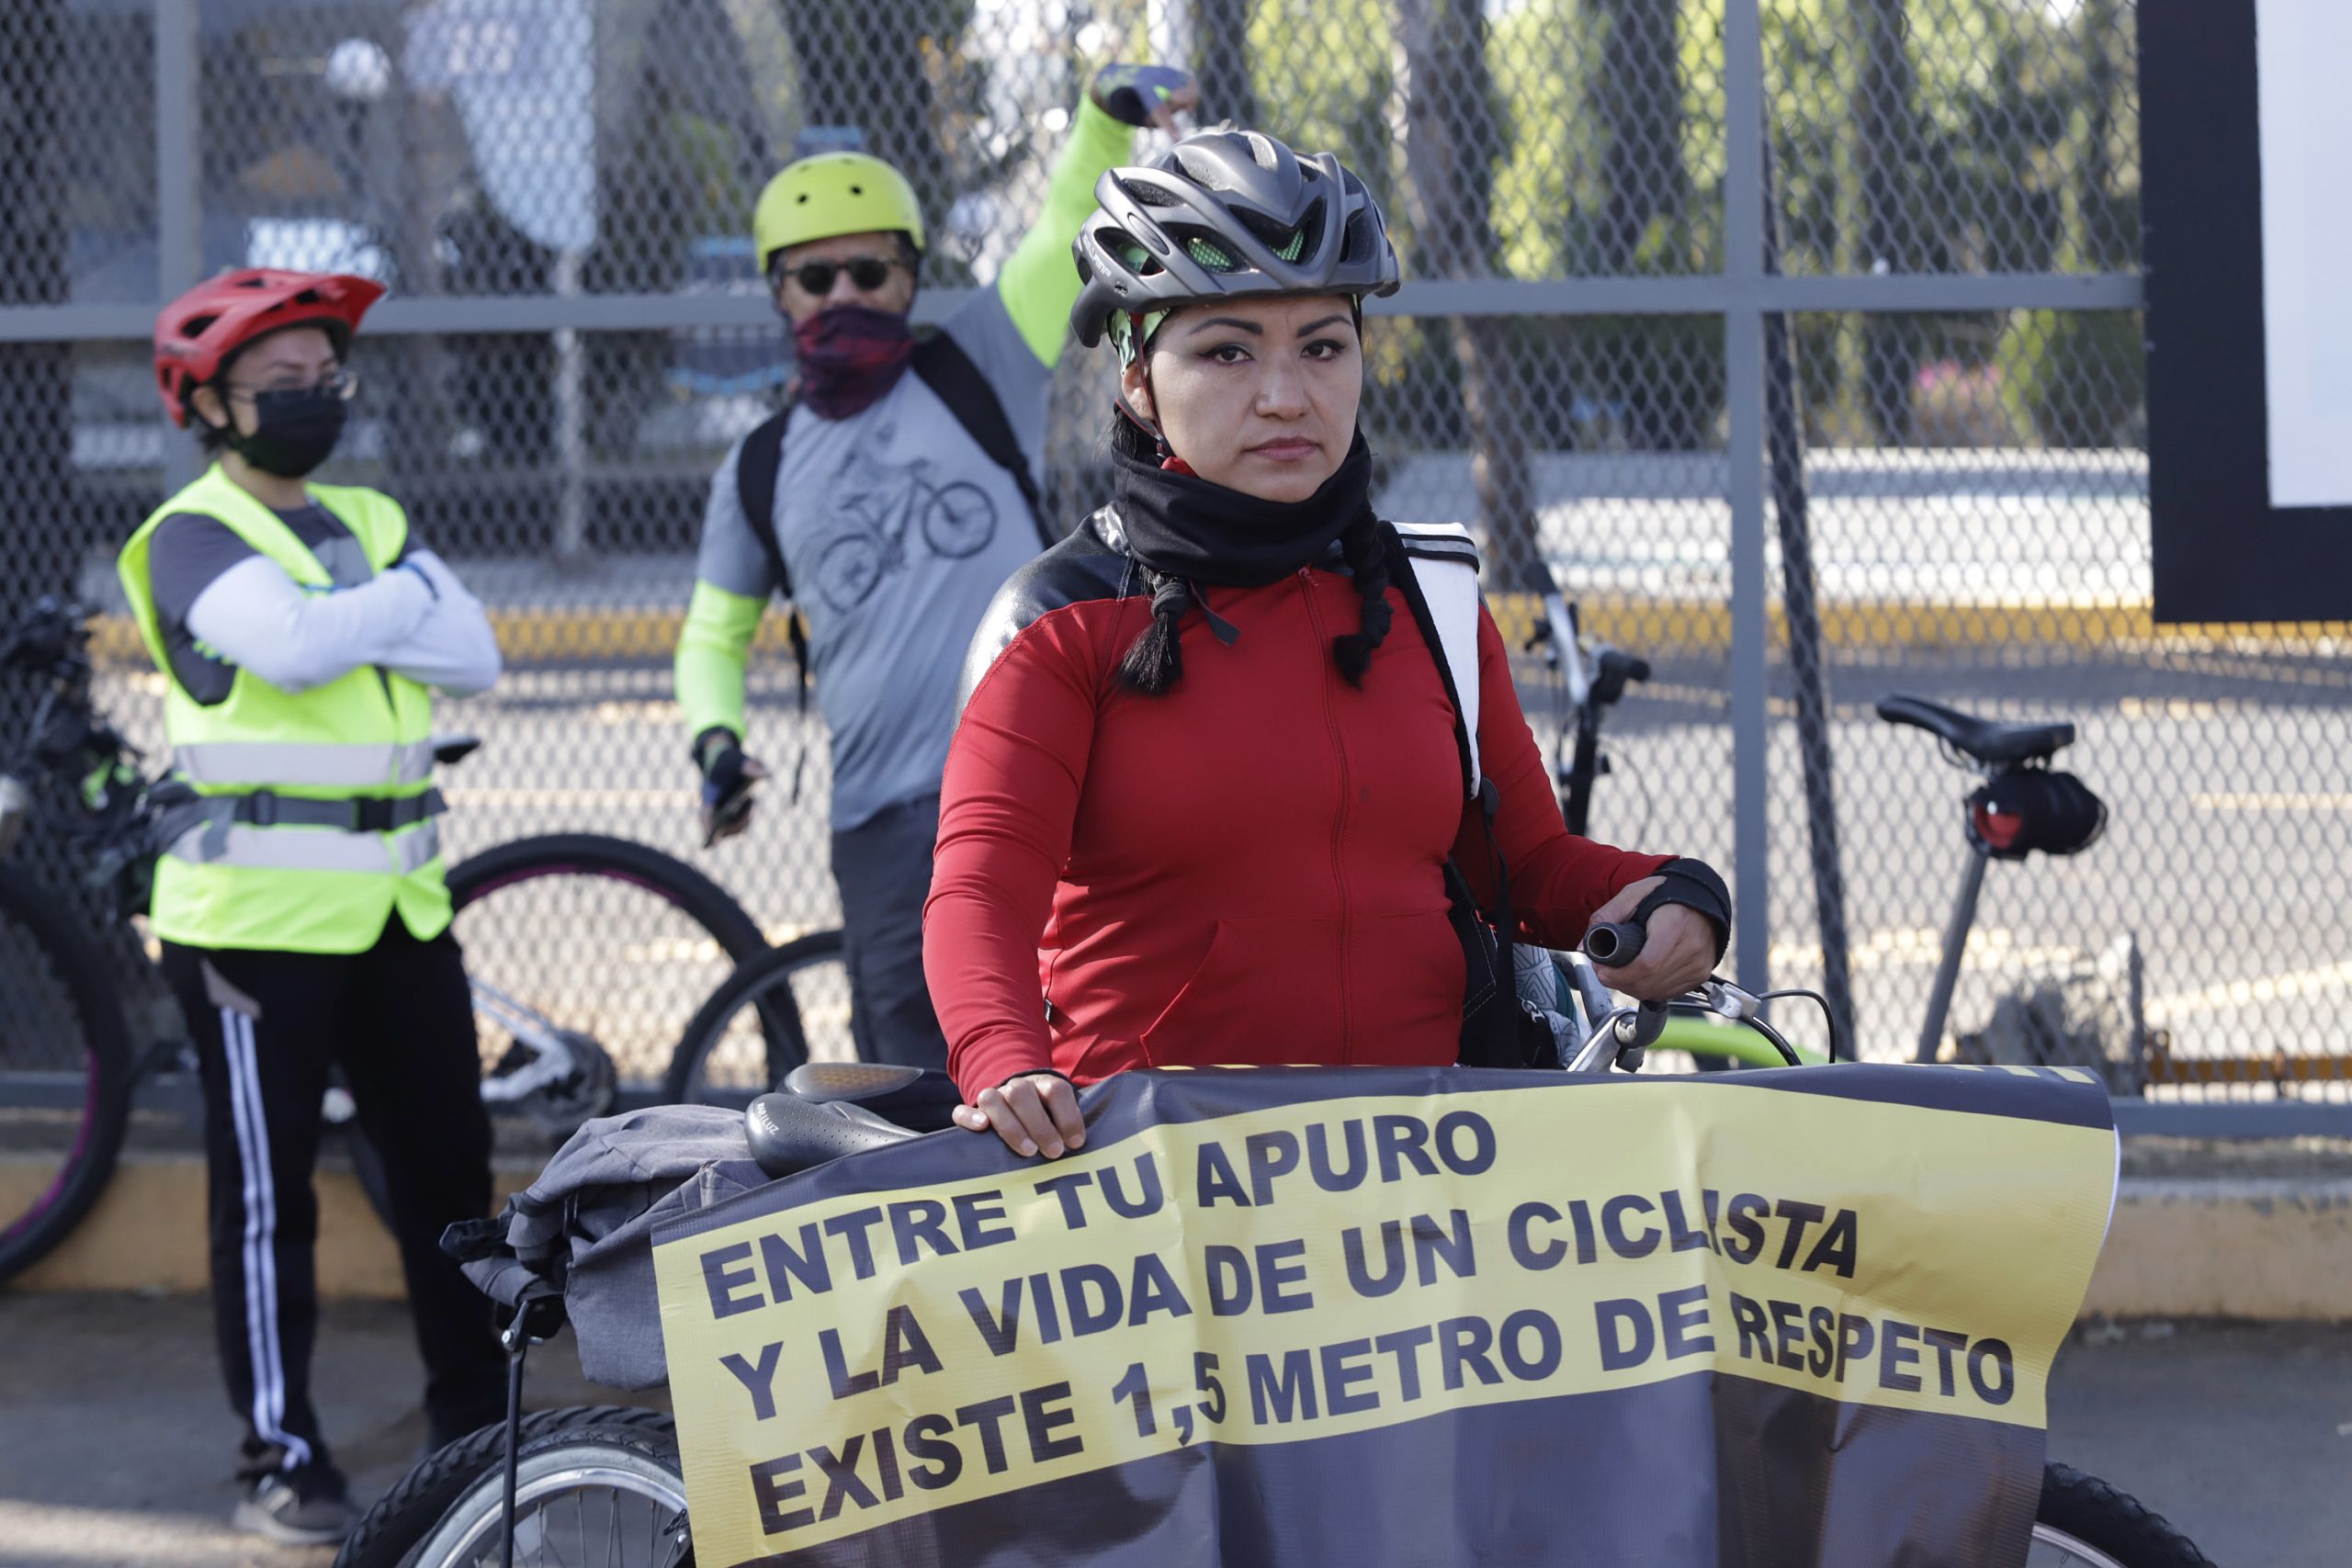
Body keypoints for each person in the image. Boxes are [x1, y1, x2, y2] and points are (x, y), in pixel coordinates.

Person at [924, 130, 1734, 1159]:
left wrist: (1672, 897)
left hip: (1422, 1181)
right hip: (1156, 1203)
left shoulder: (1427, 596)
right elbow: (978, 895)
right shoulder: (1062, 620)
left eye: (1321, 345)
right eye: (1226, 350)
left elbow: (1525, 867)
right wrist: (1004, 1057)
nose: (1285, 395)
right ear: (1136, 376)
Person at [674, 63, 1198, 1071]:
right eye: (814, 278)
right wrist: (714, 741)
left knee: (1093, 1041)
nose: (843, 296)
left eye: (868, 274)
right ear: (777, 292)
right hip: (885, 820)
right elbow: (711, 634)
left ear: (909, 278)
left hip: (1063, 776)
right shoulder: (759, 466)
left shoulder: (978, 366)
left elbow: (1056, 236)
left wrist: (1096, 117)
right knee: (916, 1083)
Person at [120, 269, 506, 1545]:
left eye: (325, 376)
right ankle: (281, 1458)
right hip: (250, 924)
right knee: (266, 1195)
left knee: (450, 1169)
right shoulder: (187, 532)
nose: (312, 397)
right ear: (207, 404)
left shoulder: (368, 510)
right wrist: (389, 608)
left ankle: (478, 1427)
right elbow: (284, 648)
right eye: (278, 382)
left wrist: (353, 620)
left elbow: (477, 658)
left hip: (397, 905)